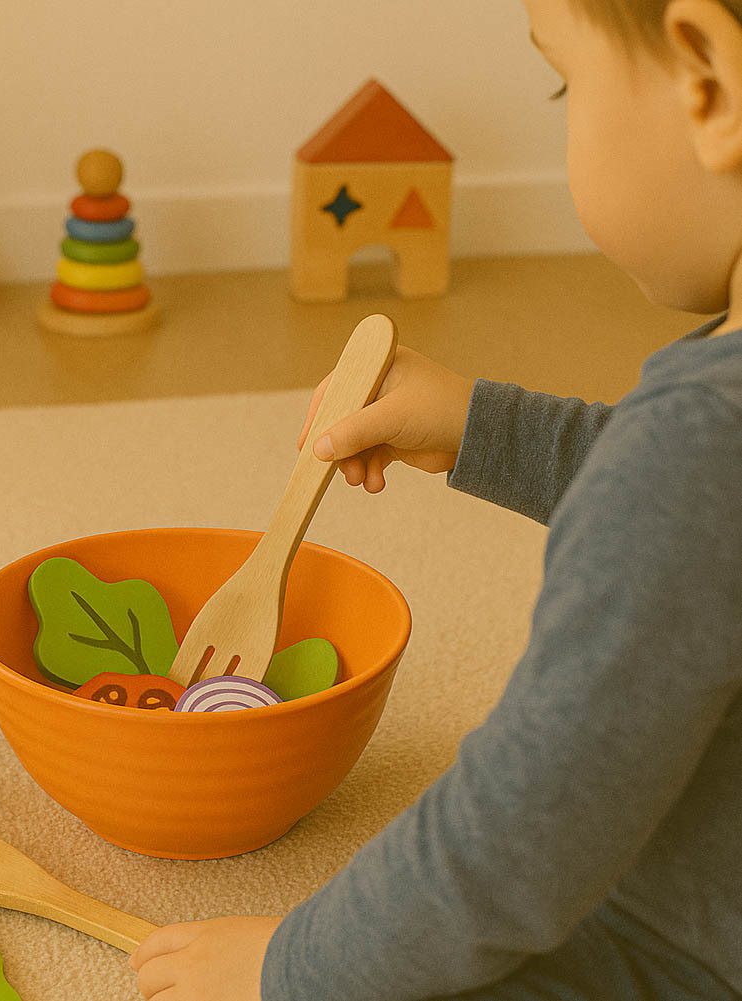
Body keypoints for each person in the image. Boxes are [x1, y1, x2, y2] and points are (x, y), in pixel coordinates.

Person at [129, 0, 742, 997]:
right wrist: (483, 425)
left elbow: (518, 836)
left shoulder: (693, 447)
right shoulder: (700, 457)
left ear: (704, 80)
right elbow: (701, 525)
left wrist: (293, 963)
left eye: (562, 80)